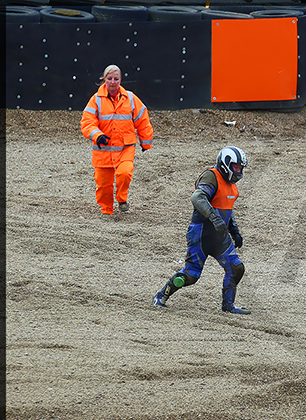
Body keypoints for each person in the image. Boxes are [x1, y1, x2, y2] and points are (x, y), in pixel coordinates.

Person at [153, 146, 250, 315]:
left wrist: (234, 231)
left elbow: (228, 209)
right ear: (226, 164)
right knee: (191, 276)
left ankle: (228, 306)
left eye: (240, 168)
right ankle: (162, 294)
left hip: (220, 237)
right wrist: (214, 218)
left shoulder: (231, 186)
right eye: (236, 167)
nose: (238, 171)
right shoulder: (212, 176)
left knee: (236, 268)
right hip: (201, 234)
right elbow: (197, 197)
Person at [81, 64, 153, 215]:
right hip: (103, 148)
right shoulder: (96, 100)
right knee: (103, 184)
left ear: (120, 80)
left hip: (125, 146)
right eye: (109, 78)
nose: (113, 82)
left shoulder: (131, 98)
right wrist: (97, 135)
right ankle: (106, 209)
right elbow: (87, 122)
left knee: (125, 173)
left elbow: (142, 120)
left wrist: (146, 141)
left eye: (116, 79)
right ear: (103, 80)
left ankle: (122, 199)